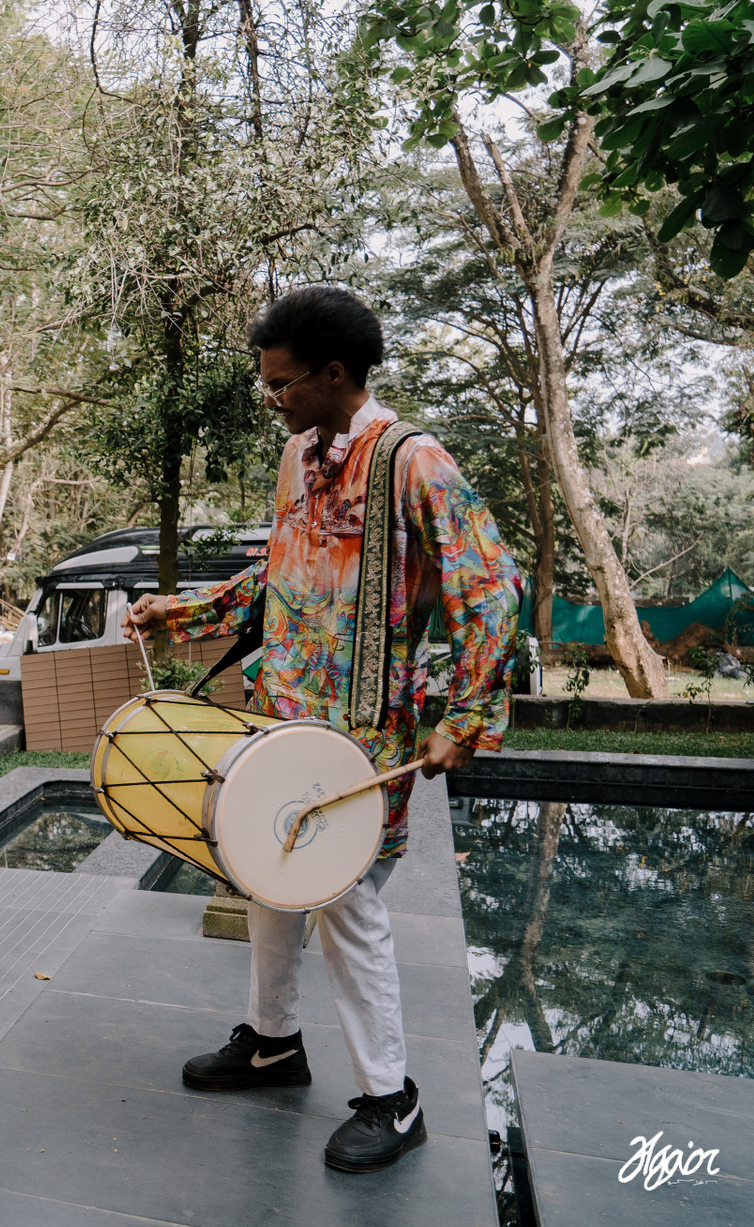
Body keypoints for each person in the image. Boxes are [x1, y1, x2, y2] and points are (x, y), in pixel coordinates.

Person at [123, 285, 520, 1173]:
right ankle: (272, 1043)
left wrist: (465, 716)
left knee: (346, 904)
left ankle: (392, 1100)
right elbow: (279, 576)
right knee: (263, 871)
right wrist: (177, 614)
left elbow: (492, 589)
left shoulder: (414, 461)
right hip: (282, 716)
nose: (271, 399)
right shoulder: (297, 456)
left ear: (335, 374)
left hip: (365, 737)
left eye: (281, 384)